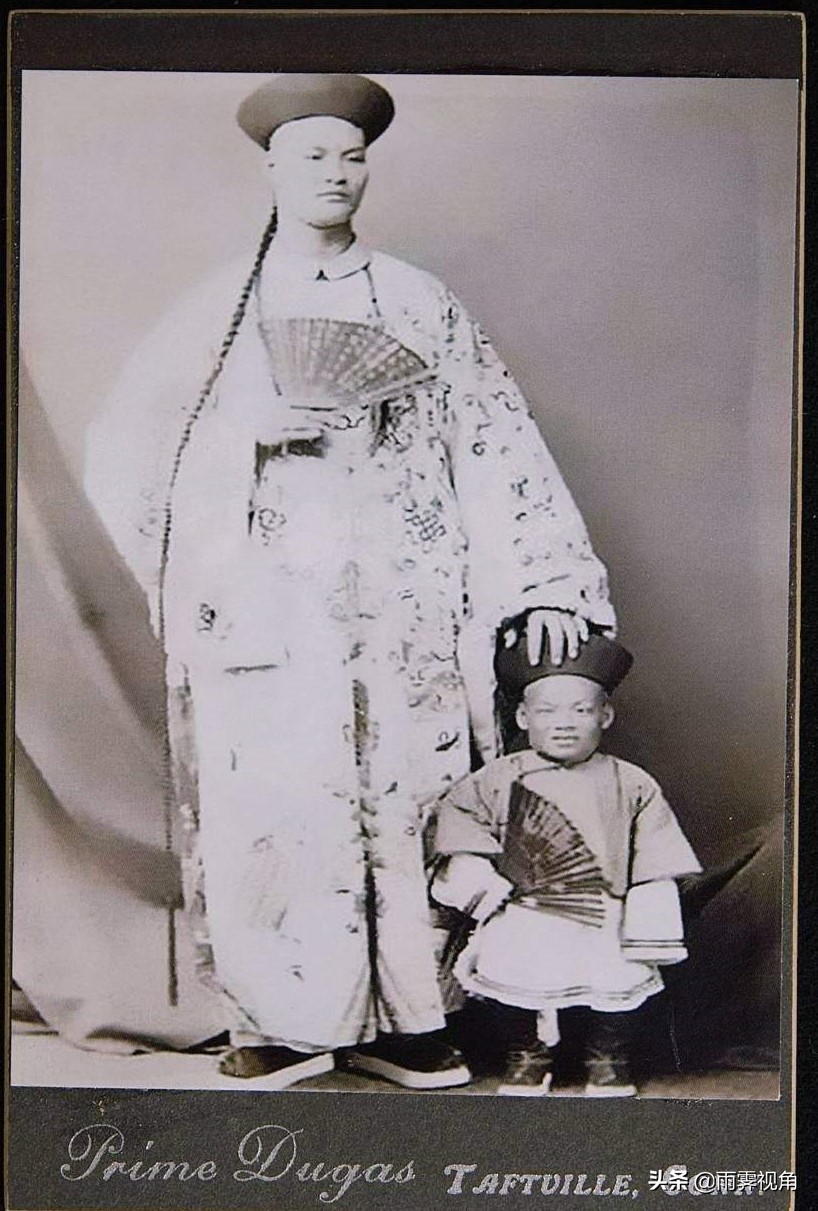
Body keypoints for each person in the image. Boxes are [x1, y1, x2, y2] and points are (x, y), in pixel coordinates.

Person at [85, 73, 617, 1089]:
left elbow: (494, 443)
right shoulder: (218, 312)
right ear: (271, 169)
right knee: (276, 798)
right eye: (311, 155)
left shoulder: (420, 302)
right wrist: (242, 435)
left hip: (407, 603)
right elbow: (128, 455)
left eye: (351, 155)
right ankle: (278, 1017)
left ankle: (410, 1019)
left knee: (414, 794)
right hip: (270, 606)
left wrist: (545, 580)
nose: (334, 173)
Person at [429, 631, 701, 1096]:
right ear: (523, 717)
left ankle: (607, 1057)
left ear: (605, 715)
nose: (564, 724)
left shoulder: (631, 782)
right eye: (547, 711)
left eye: (580, 710)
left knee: (617, 976)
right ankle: (527, 1054)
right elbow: (460, 826)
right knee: (509, 970)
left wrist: (648, 907)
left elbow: (656, 852)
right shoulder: (495, 779)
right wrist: (479, 882)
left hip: (603, 909)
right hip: (523, 907)